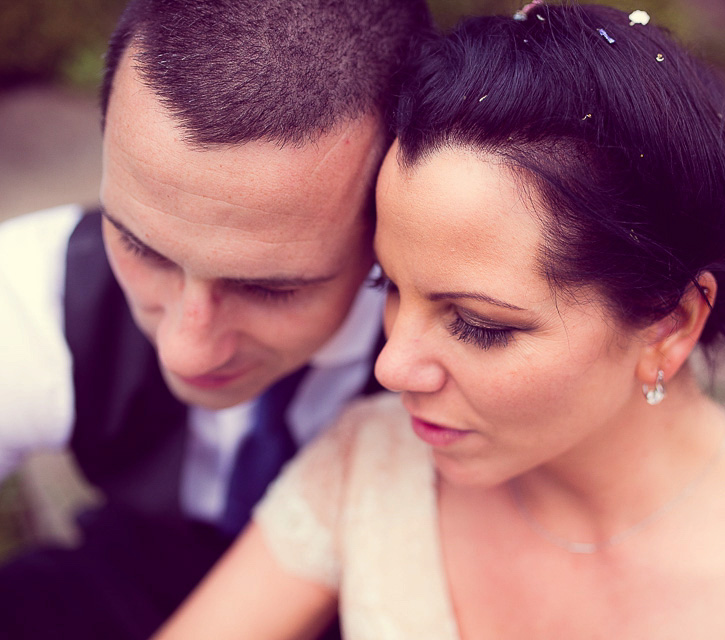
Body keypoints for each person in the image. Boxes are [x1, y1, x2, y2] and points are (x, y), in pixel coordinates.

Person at [156, 3, 725, 639]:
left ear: (671, 325)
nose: (391, 367)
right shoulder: (373, 465)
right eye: (390, 285)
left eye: (477, 323)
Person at [0, 0, 430, 638]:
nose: (186, 350)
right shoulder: (34, 289)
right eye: (141, 247)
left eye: (268, 288)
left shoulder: (482, 337)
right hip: (130, 586)